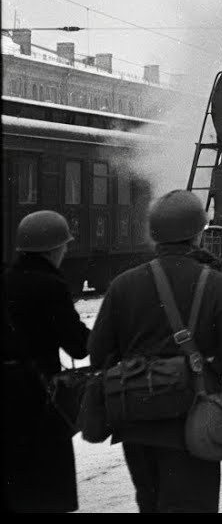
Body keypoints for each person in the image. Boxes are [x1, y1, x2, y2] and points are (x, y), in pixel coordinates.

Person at [88, 191, 222, 513]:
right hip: (193, 417)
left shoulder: (123, 284)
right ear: (199, 233)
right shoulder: (219, 285)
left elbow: (98, 353)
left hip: (135, 415)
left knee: (149, 503)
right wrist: (202, 365)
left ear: (154, 235)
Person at [2, 211, 91, 513]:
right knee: (46, 488)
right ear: (54, 249)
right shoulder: (50, 285)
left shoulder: (5, 279)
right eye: (65, 246)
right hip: (38, 397)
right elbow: (78, 346)